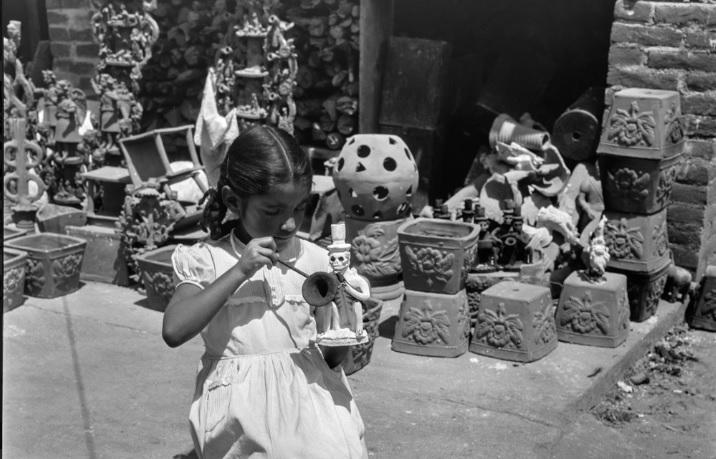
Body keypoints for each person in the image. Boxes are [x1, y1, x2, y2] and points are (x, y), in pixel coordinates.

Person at [162, 125, 367, 459]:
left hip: (312, 406)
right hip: (240, 412)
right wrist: (240, 270)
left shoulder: (316, 260)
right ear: (233, 201)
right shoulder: (208, 260)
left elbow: (330, 357)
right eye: (272, 211)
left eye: (299, 208)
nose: (290, 224)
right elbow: (174, 330)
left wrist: (343, 336)